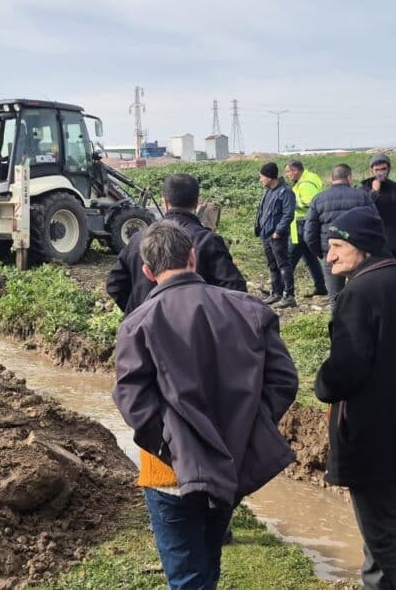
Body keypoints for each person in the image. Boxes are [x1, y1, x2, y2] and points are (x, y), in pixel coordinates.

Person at [113, 221, 298, 588]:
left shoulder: (137, 323)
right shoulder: (250, 309)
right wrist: (251, 425)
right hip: (231, 461)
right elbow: (283, 381)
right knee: (207, 561)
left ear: (148, 273)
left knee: (188, 575)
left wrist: (169, 445)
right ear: (193, 258)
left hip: (169, 472)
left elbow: (132, 399)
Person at [314, 206, 396, 590]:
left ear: (363, 248)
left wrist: (322, 382)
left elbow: (344, 373)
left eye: (337, 246)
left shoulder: (360, 294)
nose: (329, 255)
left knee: (386, 537)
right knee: (383, 534)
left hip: (374, 439)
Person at [107, 173, 246, 314]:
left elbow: (115, 285)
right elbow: (235, 290)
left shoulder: (137, 240)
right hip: (195, 331)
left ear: (165, 203)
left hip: (146, 330)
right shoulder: (208, 241)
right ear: (196, 203)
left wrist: (137, 311)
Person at [303, 163, 375, 311]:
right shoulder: (362, 196)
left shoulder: (318, 199)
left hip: (331, 254)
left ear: (331, 179)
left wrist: (322, 252)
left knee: (335, 297)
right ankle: (361, 328)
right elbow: (374, 224)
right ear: (349, 177)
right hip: (357, 254)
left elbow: (309, 233)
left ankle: (339, 330)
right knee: (360, 294)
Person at [255, 162, 298, 309]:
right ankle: (276, 292)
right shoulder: (268, 191)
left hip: (276, 236)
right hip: (266, 235)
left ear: (269, 177)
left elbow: (288, 214)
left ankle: (289, 295)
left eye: (262, 177)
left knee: (283, 265)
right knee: (272, 265)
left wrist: (277, 231)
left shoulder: (285, 192)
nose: (260, 179)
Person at [361, 154, 396, 266]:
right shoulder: (364, 190)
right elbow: (361, 213)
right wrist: (374, 193)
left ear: (389, 169)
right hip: (373, 247)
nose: (380, 172)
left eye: (384, 169)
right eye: (377, 169)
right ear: (371, 171)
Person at [284, 160, 328, 297]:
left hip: (303, 225)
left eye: (288, 171)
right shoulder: (307, 179)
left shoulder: (305, 184)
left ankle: (280, 288)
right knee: (309, 258)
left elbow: (311, 202)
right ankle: (321, 287)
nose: (287, 175)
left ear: (295, 170)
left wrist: (291, 204)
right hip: (304, 224)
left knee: (289, 258)